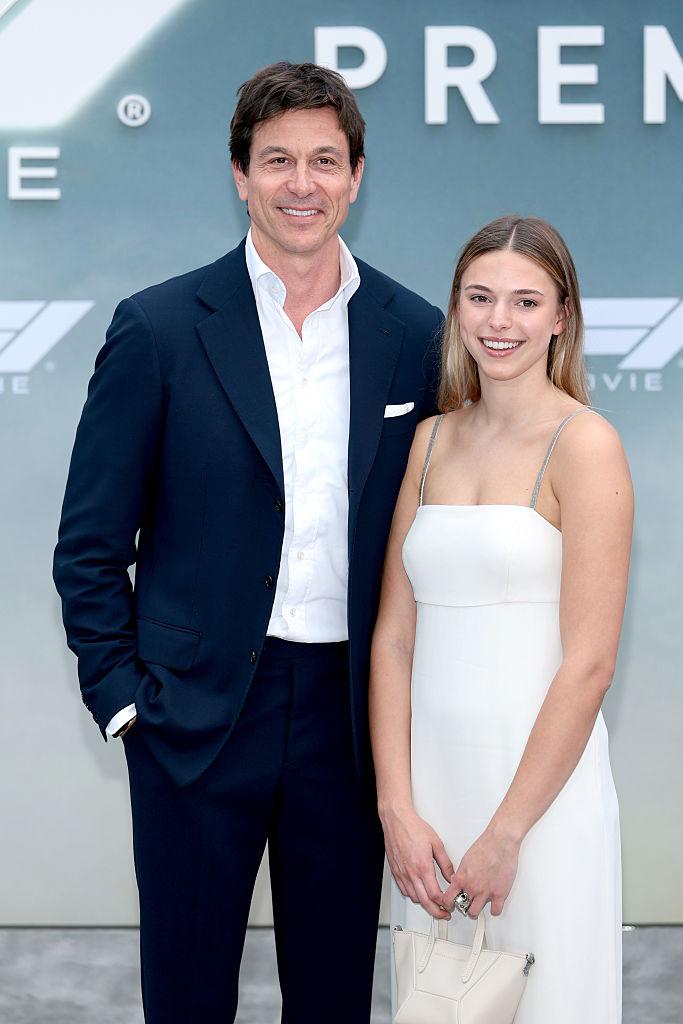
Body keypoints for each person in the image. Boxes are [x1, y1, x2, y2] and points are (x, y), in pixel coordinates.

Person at [53, 62, 442, 1023]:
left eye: (323, 160)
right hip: (189, 717)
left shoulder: (414, 334)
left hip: (348, 724)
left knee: (332, 1001)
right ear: (239, 174)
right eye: (276, 160)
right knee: (185, 1002)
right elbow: (89, 545)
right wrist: (124, 704)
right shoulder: (158, 327)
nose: (300, 183)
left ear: (356, 176)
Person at [369, 215, 632, 1022]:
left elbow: (589, 663)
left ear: (561, 316)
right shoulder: (427, 441)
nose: (498, 321)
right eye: (479, 297)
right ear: (456, 306)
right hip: (431, 808)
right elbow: (393, 639)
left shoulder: (585, 445)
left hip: (539, 806)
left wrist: (507, 832)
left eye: (525, 301)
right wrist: (396, 811)